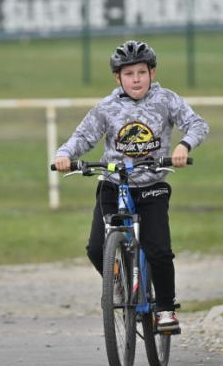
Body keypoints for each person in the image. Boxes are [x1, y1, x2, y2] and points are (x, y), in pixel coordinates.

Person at [53, 40, 209, 331]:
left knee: (158, 249)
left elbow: (197, 124)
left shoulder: (165, 100)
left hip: (151, 186)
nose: (135, 79)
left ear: (152, 72)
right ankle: (120, 288)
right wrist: (65, 155)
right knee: (97, 249)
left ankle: (164, 309)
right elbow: (83, 137)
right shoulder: (107, 107)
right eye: (128, 74)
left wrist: (184, 146)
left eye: (141, 72)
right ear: (117, 77)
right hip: (114, 184)